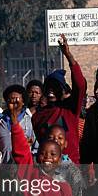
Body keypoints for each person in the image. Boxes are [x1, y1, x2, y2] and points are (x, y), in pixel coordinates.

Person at [32, 34, 86, 164]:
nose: (51, 90)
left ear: (62, 90)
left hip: (72, 168)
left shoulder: (70, 108)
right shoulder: (38, 117)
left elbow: (80, 85)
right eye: (49, 87)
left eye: (55, 87)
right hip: (47, 169)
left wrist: (68, 56)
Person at [0, 85, 35, 164]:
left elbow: (35, 148)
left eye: (17, 100)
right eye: (10, 100)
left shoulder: (30, 122)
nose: (13, 102)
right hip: (5, 168)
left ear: (23, 102)